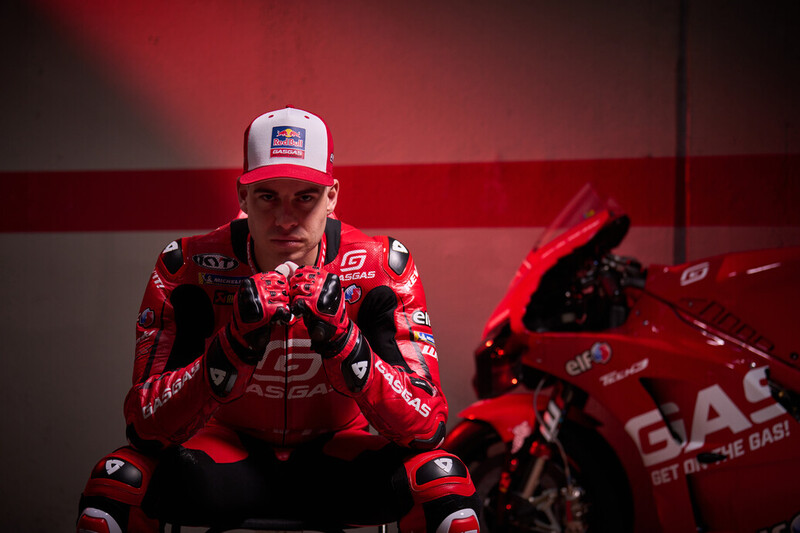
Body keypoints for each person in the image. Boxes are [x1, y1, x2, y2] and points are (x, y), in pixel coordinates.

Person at [77, 106, 481, 533]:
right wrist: (231, 348)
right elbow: (144, 425)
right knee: (118, 483)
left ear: (332, 197)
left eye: (305, 197)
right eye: (268, 196)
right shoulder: (188, 266)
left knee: (442, 481)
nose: (285, 219)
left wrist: (346, 344)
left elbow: (428, 425)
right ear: (242, 196)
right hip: (225, 458)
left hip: (337, 461)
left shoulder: (380, 267)